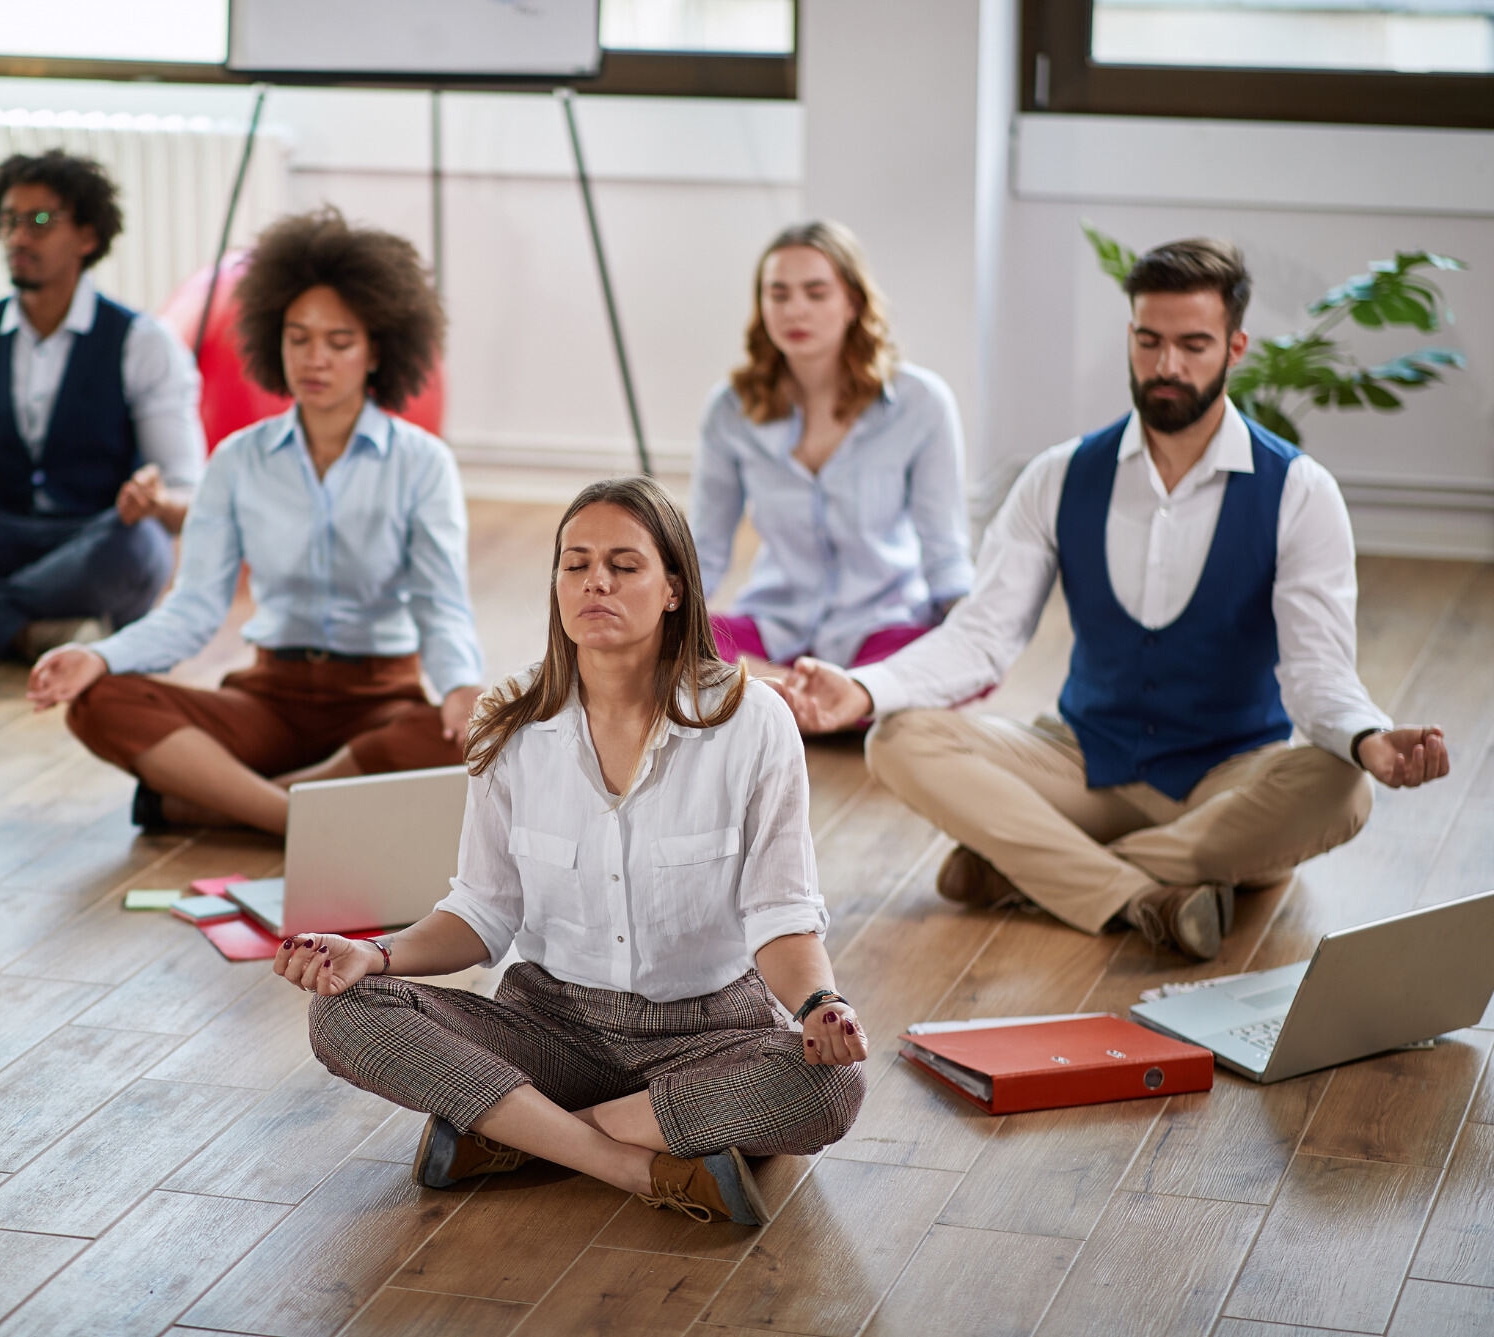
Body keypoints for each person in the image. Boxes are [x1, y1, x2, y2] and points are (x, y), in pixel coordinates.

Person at [776, 238, 1449, 962]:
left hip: (1228, 779)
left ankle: (1031, 871)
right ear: (1130, 337)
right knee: (899, 739)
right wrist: (862, 688)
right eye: (1149, 341)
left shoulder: (1300, 491)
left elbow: (1317, 671)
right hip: (1082, 760)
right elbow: (981, 636)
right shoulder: (1060, 475)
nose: (1167, 366)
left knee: (1342, 786)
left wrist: (1368, 737)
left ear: (1236, 346)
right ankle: (1144, 890)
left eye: (1193, 344)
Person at [273, 477, 867, 1226]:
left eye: (624, 564)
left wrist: (820, 1004)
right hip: (548, 1028)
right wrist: (375, 954)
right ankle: (631, 1162)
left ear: (674, 588)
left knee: (830, 1086)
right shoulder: (508, 719)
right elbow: (481, 912)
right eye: (575, 562)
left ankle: (517, 1132)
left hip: (710, 1032)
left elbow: (780, 913)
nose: (595, 581)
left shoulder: (753, 721)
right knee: (342, 1010)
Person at [28, 207, 486, 837]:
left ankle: (213, 804)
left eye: (339, 341)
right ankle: (296, 818)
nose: (314, 359)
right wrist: (100, 656)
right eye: (298, 337)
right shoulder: (238, 459)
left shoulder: (422, 462)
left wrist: (461, 686)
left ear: (378, 348)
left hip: (380, 707)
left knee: (480, 738)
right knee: (99, 701)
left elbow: (442, 604)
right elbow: (193, 611)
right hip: (268, 700)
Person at [0, 149, 205, 660]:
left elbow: (187, 497)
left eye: (40, 222)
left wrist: (155, 501)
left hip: (92, 536)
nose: (19, 238)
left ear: (88, 237)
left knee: (137, 550)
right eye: (8, 222)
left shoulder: (142, 342)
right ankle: (22, 630)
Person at [692, 221, 974, 695]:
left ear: (853, 303)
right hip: (773, 628)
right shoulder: (730, 409)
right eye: (777, 294)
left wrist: (969, 637)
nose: (794, 309)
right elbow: (704, 549)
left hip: (882, 630)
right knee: (664, 647)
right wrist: (659, 623)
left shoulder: (921, 403)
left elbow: (945, 553)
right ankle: (817, 698)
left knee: (959, 660)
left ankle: (788, 699)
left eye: (816, 293)